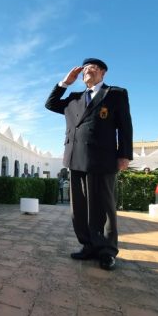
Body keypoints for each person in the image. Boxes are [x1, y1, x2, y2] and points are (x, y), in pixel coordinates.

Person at [45, 58, 133, 271]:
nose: (86, 71)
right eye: (84, 69)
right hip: (75, 158)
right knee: (80, 209)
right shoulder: (74, 98)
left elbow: (125, 126)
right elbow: (50, 104)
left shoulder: (115, 93)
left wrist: (124, 156)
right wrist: (65, 83)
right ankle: (88, 245)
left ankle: (107, 251)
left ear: (102, 72)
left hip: (102, 159)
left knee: (104, 207)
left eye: (91, 68)